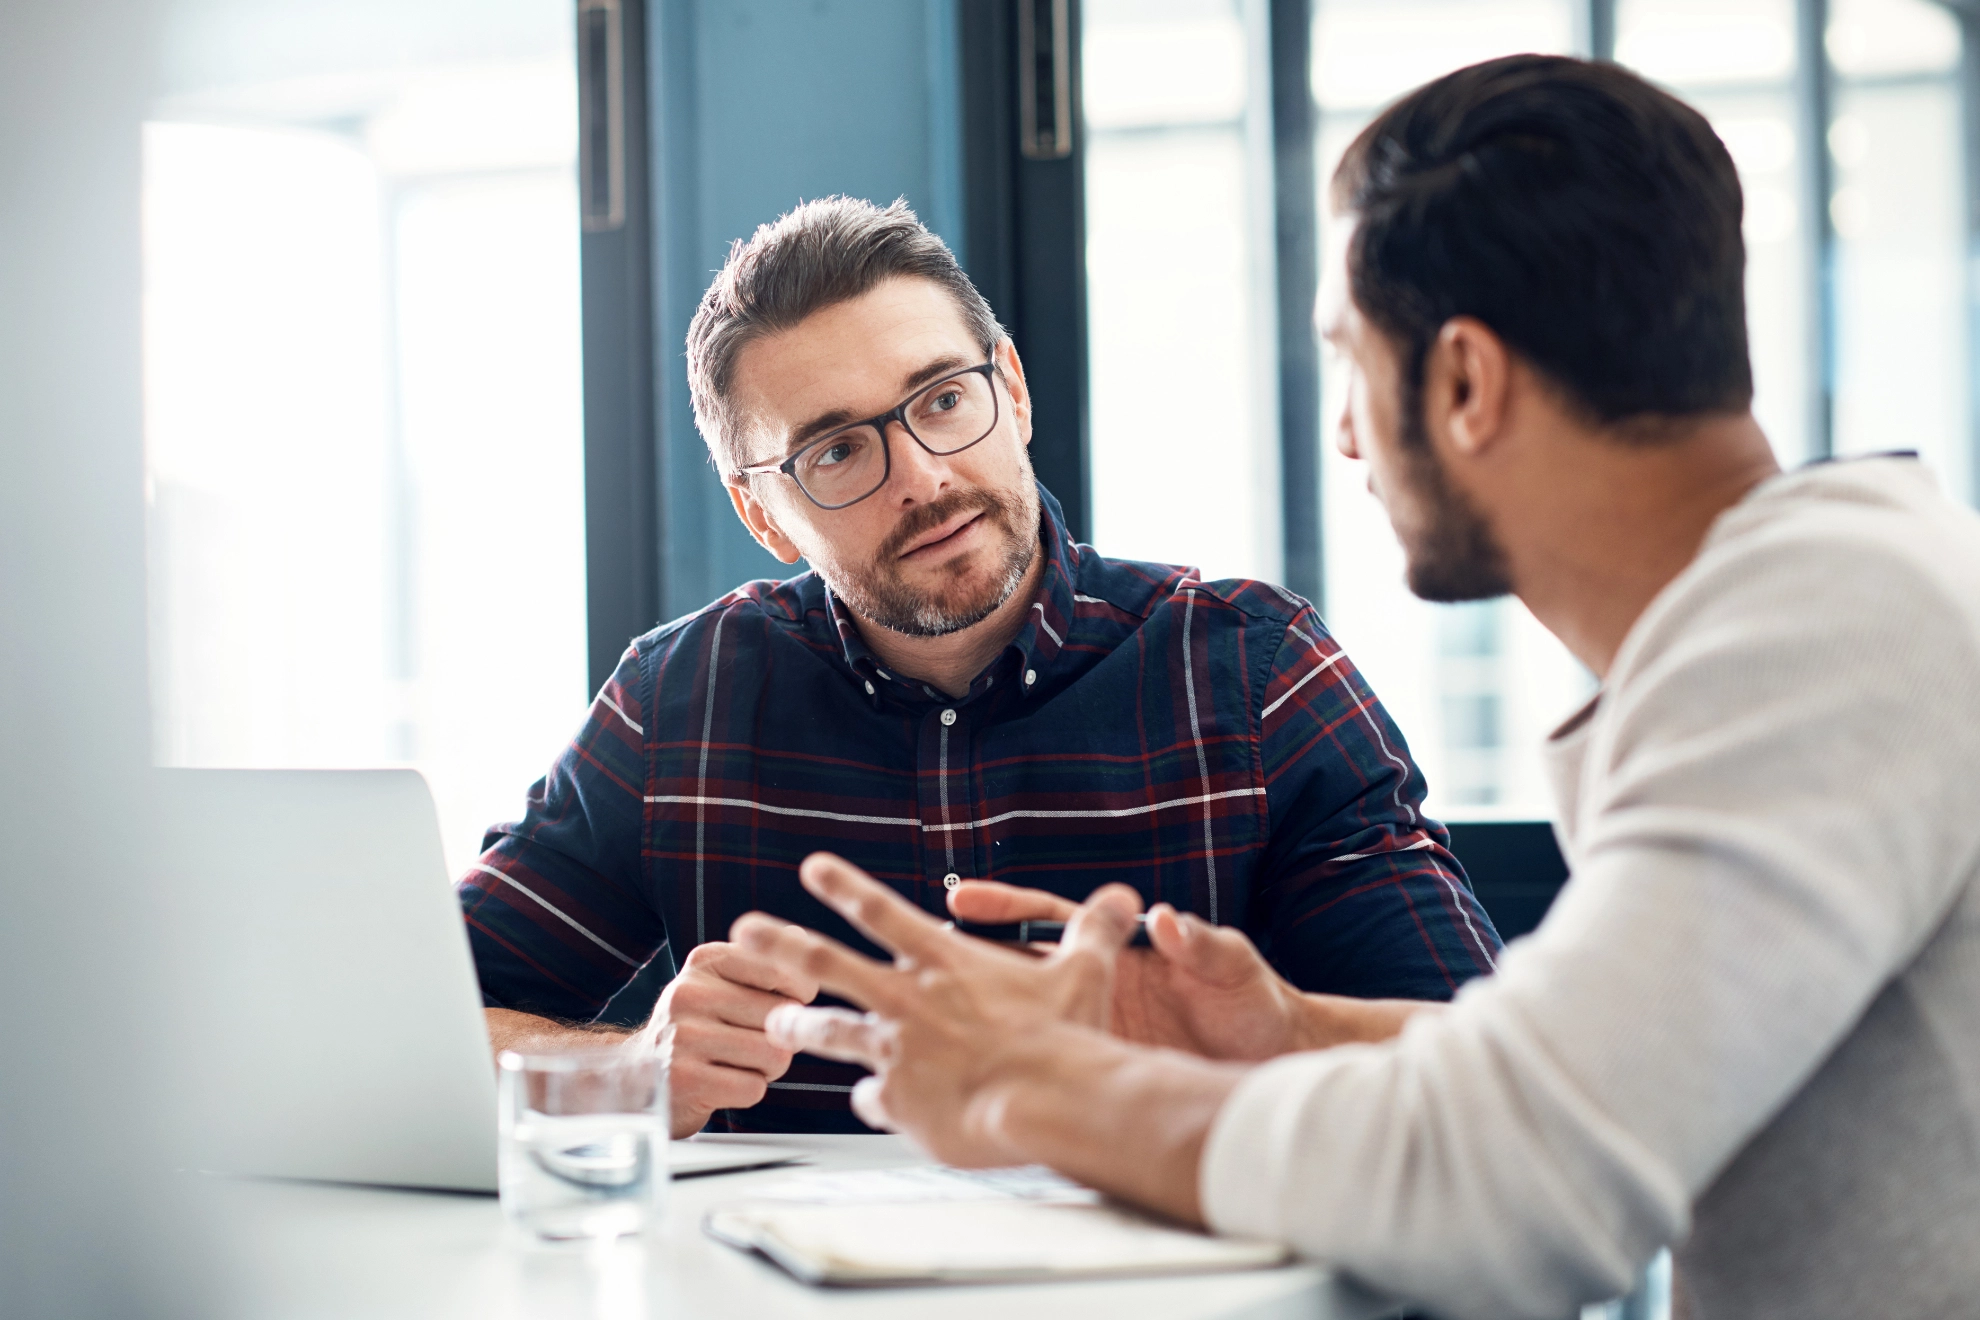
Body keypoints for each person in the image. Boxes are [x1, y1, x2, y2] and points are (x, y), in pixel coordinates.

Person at [733, 55, 1980, 1319]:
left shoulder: (1818, 635)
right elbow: (1590, 1075)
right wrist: (1285, 1028)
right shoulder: (1826, 606)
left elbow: (1513, 1190)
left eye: (1349, 360)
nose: (1342, 433)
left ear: (1462, 385)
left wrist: (1037, 1088)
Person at [456, 196, 1500, 1137]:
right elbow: (417, 1029)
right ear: (761, 513)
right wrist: (626, 1071)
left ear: (1013, 389)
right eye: (836, 452)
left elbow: (1478, 1072)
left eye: (944, 399)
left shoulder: (1256, 673)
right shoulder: (674, 705)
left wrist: (1253, 1037)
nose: (922, 474)